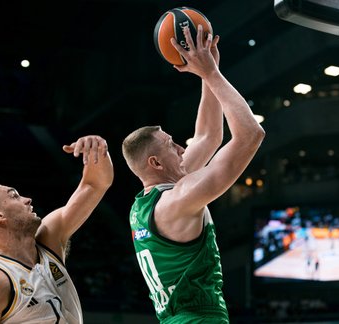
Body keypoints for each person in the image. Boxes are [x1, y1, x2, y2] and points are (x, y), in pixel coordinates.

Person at [122, 24, 265, 323]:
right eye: (170, 144)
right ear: (156, 164)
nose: (179, 146)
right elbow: (251, 134)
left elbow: (209, 136)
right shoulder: (179, 200)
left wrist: (207, 69)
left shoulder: (144, 204)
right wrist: (213, 75)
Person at [0, 135, 114, 324]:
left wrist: (97, 148)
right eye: (14, 196)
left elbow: (94, 184)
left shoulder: (50, 238)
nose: (27, 199)